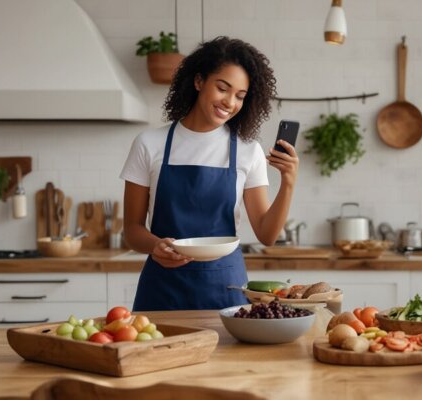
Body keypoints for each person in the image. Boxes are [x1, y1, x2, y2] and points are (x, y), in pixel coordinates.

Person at [120, 37, 298, 311]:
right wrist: (156, 246)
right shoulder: (149, 144)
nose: (230, 102)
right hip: (162, 288)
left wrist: (288, 182)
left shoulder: (248, 151)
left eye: (240, 95)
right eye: (222, 88)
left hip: (224, 289)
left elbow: (267, 234)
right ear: (199, 81)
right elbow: (131, 230)